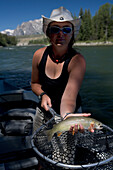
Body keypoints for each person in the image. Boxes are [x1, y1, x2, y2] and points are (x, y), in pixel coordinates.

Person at [31, 6, 94, 135]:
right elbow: (34, 84)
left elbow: (69, 98)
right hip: (43, 111)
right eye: (55, 29)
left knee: (64, 154)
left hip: (68, 114)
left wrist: (67, 117)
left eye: (66, 29)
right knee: (40, 144)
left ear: (72, 34)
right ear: (48, 33)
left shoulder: (77, 61)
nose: (61, 34)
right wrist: (42, 95)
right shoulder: (38, 55)